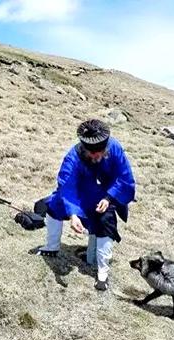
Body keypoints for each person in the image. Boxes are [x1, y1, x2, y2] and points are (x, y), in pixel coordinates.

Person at [36, 119, 136, 291]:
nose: (98, 157)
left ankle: (103, 272)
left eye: (101, 153)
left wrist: (109, 198)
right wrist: (73, 215)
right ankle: (52, 247)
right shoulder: (72, 157)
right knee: (55, 204)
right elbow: (67, 186)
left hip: (106, 194)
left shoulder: (115, 147)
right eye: (93, 154)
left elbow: (124, 177)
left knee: (106, 218)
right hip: (80, 194)